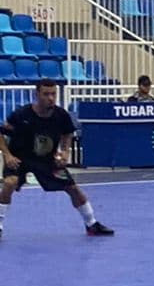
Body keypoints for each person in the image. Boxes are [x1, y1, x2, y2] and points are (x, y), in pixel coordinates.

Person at [0, 79, 114, 241]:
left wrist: (65, 152)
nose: (51, 98)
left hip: (47, 160)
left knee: (73, 188)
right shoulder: (21, 114)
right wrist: (7, 155)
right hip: (20, 158)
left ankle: (91, 224)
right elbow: (1, 133)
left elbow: (67, 134)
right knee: (10, 183)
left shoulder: (61, 115)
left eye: (53, 94)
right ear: (37, 94)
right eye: (46, 94)